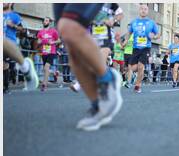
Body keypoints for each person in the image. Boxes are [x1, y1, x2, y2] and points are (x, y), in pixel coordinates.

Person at [53, 3, 123, 131]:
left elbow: (120, 13)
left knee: (69, 26)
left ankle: (108, 79)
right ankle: (98, 106)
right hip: (92, 35)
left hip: (106, 36)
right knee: (71, 43)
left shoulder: (112, 4)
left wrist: (113, 20)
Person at [122, 3, 160, 93]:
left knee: (140, 66)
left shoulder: (151, 22)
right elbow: (129, 32)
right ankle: (135, 76)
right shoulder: (134, 22)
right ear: (139, 10)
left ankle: (138, 85)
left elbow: (158, 34)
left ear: (147, 11)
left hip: (146, 48)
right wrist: (126, 41)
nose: (143, 10)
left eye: (145, 9)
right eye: (142, 9)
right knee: (131, 68)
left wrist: (154, 37)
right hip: (135, 48)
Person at [3, 3, 38, 93]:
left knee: (4, 65)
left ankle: (6, 87)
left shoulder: (15, 16)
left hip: (9, 43)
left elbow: (24, 30)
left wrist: (13, 26)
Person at [37, 17, 61, 91]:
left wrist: (52, 42)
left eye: (46, 21)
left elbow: (59, 40)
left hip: (52, 51)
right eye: (44, 21)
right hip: (44, 52)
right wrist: (41, 41)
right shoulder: (40, 32)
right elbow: (38, 41)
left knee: (46, 67)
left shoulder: (53, 31)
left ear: (49, 22)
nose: (45, 22)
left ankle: (44, 84)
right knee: (45, 69)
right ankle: (54, 73)